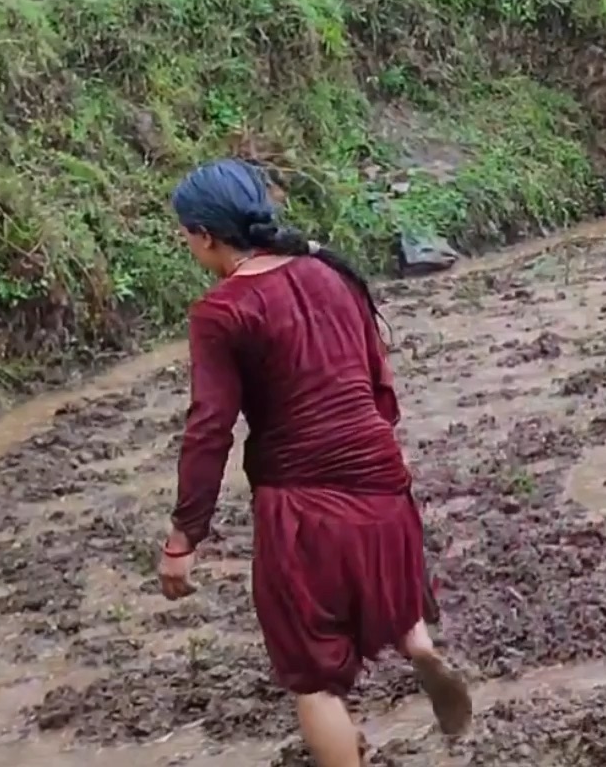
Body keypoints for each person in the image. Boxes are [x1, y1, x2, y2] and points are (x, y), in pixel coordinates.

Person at [157, 159, 471, 767]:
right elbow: (379, 384)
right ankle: (417, 642)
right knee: (389, 588)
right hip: (382, 479)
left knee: (314, 676)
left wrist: (183, 537)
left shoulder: (222, 313)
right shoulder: (332, 273)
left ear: (203, 236)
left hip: (302, 503)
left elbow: (209, 429)